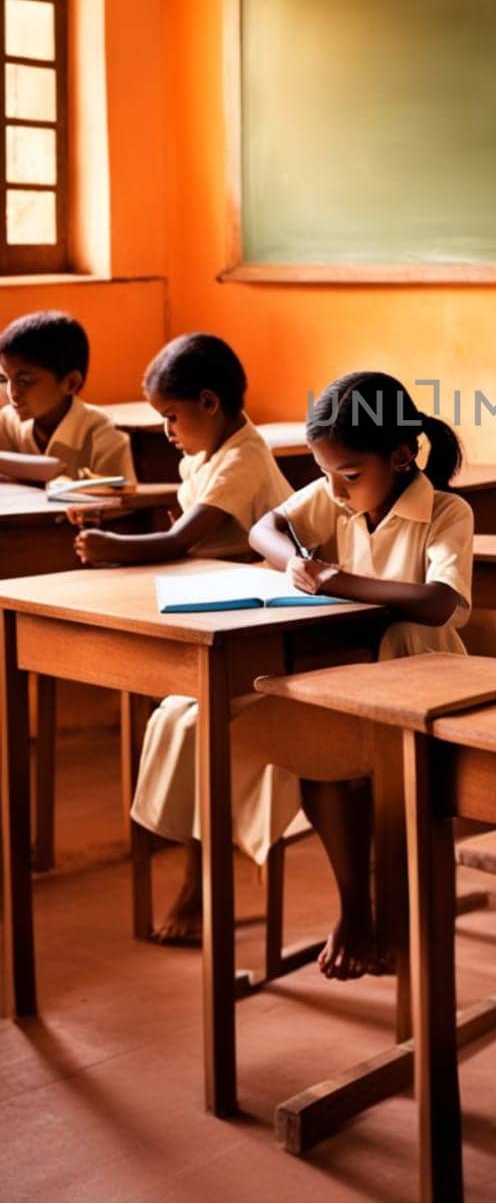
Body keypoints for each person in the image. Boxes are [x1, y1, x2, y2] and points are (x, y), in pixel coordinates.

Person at [249, 369, 473, 980]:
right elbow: (262, 528)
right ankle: (355, 907)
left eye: (348, 475)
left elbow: (437, 603)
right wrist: (298, 560)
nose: (335, 490)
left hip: (422, 677)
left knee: (392, 794)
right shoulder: (335, 491)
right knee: (316, 758)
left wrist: (339, 582)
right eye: (324, 474)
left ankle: (402, 924)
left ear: (402, 455)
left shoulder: (447, 511)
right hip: (350, 671)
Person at [76, 332, 292, 942]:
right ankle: (189, 869)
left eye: (171, 417)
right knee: (171, 717)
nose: (166, 430)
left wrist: (112, 545)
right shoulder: (199, 458)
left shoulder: (244, 458)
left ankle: (202, 882)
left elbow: (181, 542)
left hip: (264, 632)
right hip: (220, 622)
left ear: (209, 402)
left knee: (196, 727)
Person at [0, 310, 134, 483]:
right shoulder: (6, 423)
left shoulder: (104, 436)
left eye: (25, 381)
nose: (12, 393)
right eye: (4, 379)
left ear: (71, 383)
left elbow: (120, 503)